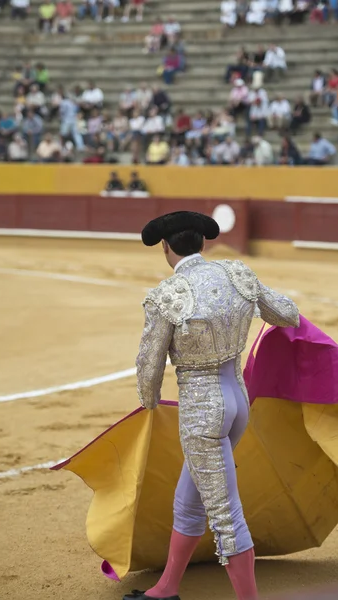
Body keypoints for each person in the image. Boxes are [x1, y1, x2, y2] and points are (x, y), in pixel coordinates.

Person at [125, 211, 299, 600]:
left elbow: (149, 366)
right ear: (203, 243)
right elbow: (287, 314)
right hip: (238, 399)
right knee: (189, 498)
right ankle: (166, 588)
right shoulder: (237, 275)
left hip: (203, 414)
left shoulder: (167, 296)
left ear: (166, 248)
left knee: (225, 515)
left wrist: (149, 402)